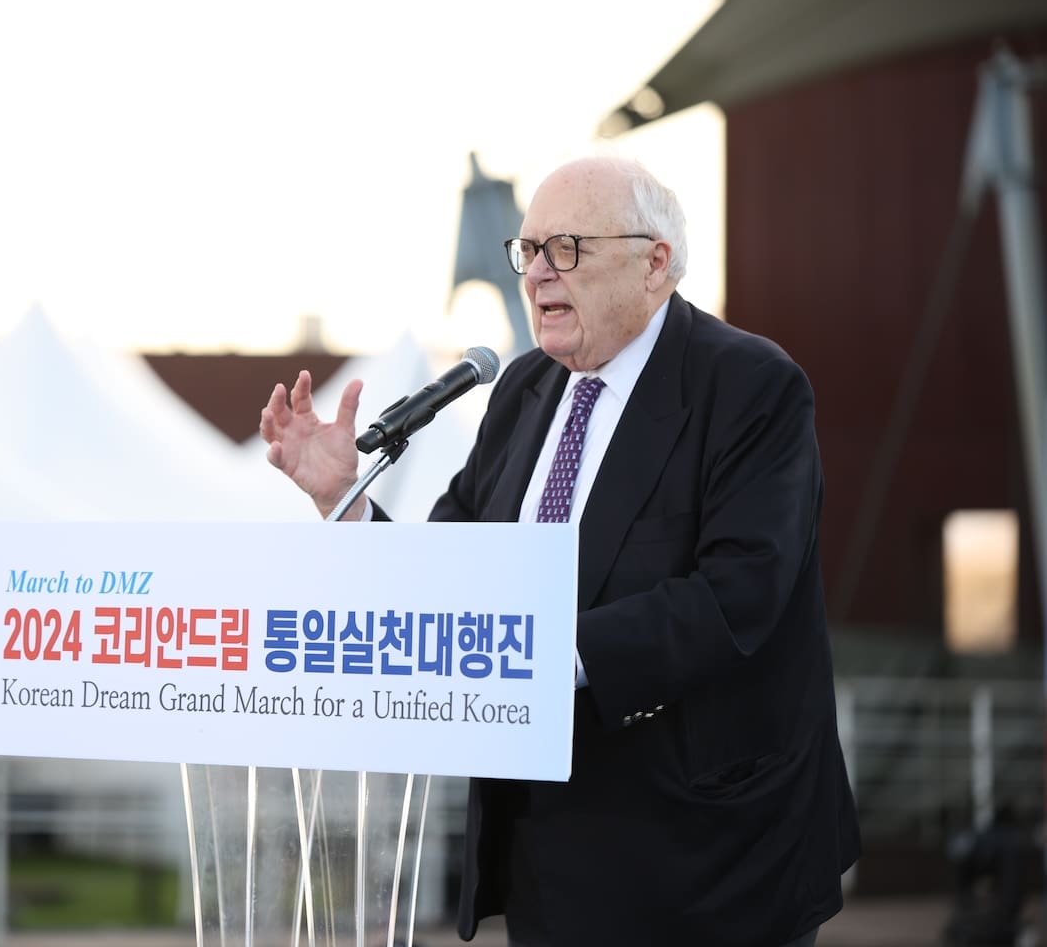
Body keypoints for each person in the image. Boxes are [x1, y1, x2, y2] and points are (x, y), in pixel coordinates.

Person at [259, 156, 861, 946]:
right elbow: (455, 574)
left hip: (710, 860)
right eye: (528, 250)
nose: (537, 273)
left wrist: (538, 651)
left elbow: (736, 595)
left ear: (655, 263)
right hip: (547, 849)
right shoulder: (522, 390)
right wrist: (345, 503)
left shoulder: (748, 385)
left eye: (566, 248)